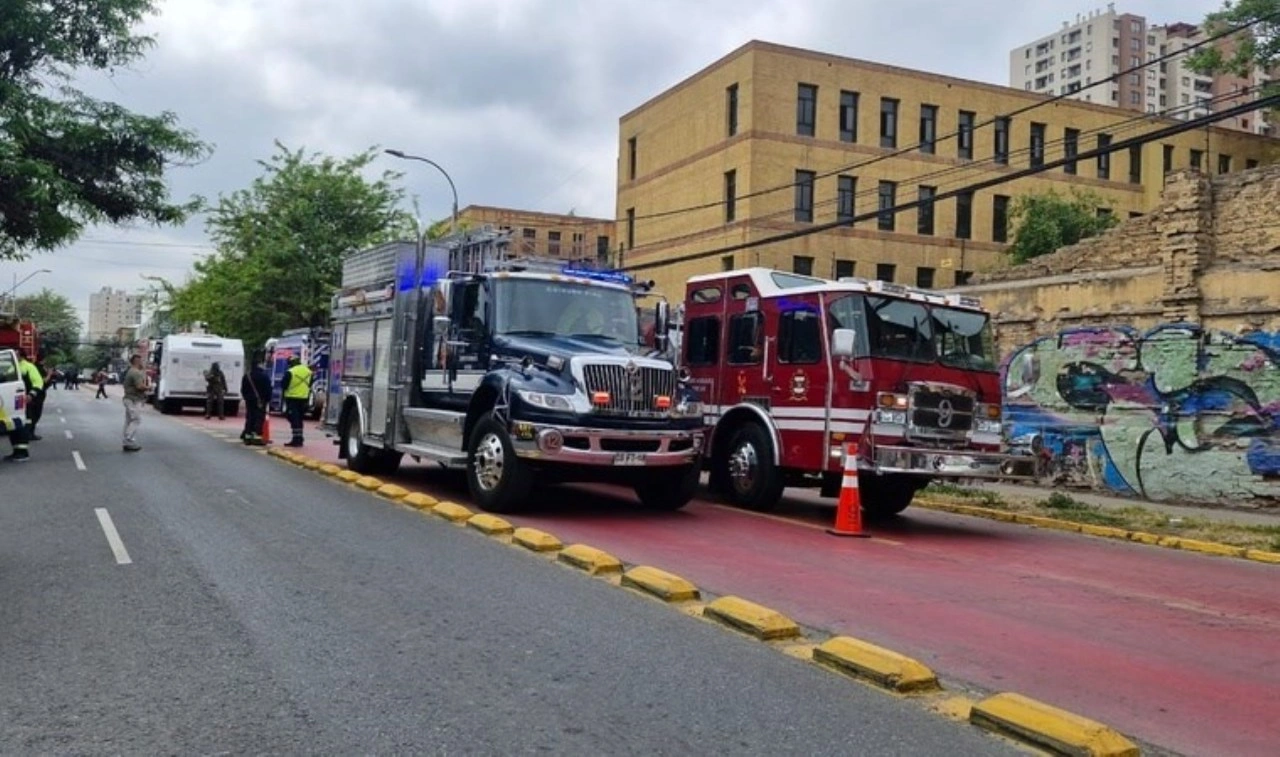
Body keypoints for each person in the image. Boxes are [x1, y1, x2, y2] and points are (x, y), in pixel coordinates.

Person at [241, 353, 272, 445]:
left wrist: (247, 398)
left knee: (250, 417)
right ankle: (257, 438)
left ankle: (247, 436)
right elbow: (268, 389)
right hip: (261, 401)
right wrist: (267, 399)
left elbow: (243, 389)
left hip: (249, 400)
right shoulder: (264, 376)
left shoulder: (247, 376)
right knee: (259, 418)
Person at [281, 355, 312, 447]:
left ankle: (296, 439)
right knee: (299, 418)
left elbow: (284, 385)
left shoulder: (290, 372)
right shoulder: (308, 371)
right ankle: (299, 437)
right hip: (304, 398)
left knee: (293, 418)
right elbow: (310, 384)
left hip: (292, 398)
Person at [16, 348, 46, 441]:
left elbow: (38, 382)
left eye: (16, 354)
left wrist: (31, 395)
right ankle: (26, 434)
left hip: (31, 397)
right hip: (18, 397)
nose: (15, 356)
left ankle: (29, 434)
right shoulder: (14, 366)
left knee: (32, 416)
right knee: (24, 416)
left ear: (21, 356)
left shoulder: (29, 367)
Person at [121, 354, 148, 452]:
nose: (142, 362)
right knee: (136, 419)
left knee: (128, 421)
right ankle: (128, 437)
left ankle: (126, 443)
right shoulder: (135, 372)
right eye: (141, 360)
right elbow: (140, 386)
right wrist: (150, 387)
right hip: (133, 399)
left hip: (129, 398)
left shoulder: (131, 371)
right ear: (137, 361)